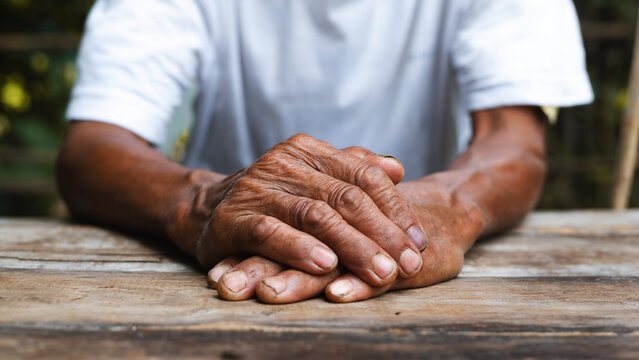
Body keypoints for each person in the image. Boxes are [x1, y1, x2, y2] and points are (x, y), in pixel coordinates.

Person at [56, 0, 593, 303]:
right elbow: (94, 144)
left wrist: (440, 210)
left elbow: (513, 144)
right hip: (225, 266)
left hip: (395, 271)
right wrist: (204, 203)